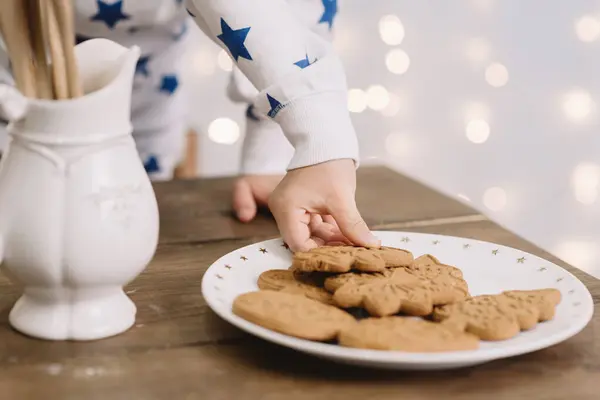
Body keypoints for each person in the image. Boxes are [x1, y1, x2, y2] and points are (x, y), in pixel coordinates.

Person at [0, 0, 380, 252]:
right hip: (13, 81)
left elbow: (294, 10)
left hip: (146, 100)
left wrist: (280, 145)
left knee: (119, 220)